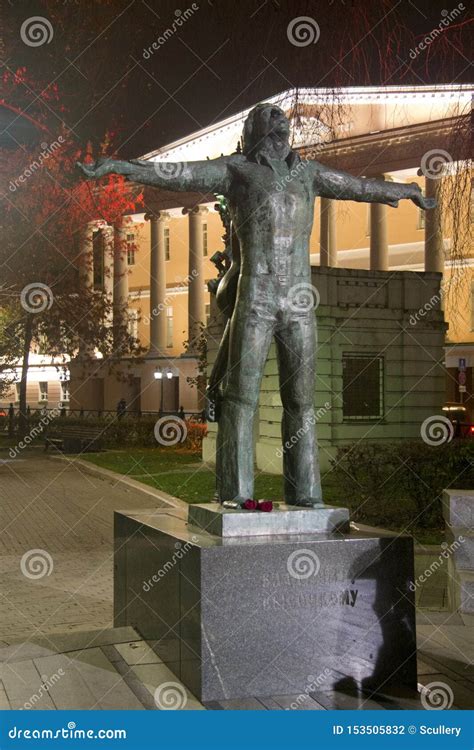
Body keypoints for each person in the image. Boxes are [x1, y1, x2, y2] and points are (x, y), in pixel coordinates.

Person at [78, 103, 435, 508]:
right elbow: (177, 174)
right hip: (257, 300)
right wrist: (118, 168)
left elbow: (361, 187)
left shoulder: (309, 173)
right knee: (240, 398)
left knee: (301, 402)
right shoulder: (237, 170)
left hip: (300, 303)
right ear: (254, 131)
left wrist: (405, 191)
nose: (279, 123)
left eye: (281, 119)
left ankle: (306, 496)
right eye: (269, 118)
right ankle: (236, 495)